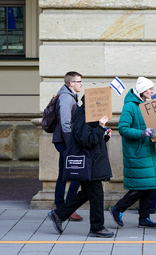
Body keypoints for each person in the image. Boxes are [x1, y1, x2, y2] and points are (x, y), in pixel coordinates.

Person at [48, 95, 114, 238]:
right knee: (96, 195)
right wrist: (101, 127)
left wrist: (105, 134)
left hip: (93, 163)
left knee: (86, 193)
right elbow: (87, 140)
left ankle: (58, 214)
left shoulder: (91, 116)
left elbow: (94, 140)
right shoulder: (83, 116)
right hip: (90, 164)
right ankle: (97, 228)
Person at [109, 77, 156, 229]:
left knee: (149, 185)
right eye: (149, 89)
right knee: (140, 187)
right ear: (141, 91)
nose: (152, 91)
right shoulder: (130, 107)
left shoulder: (147, 105)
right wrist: (142, 133)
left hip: (147, 152)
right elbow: (123, 129)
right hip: (137, 153)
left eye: (152, 89)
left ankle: (144, 218)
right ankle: (117, 208)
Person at [52, 71, 83, 221]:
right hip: (65, 142)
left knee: (64, 174)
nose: (81, 84)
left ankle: (61, 207)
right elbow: (65, 123)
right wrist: (72, 145)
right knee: (76, 174)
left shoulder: (70, 96)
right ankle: (67, 208)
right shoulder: (66, 98)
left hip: (64, 141)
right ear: (71, 83)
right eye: (79, 81)